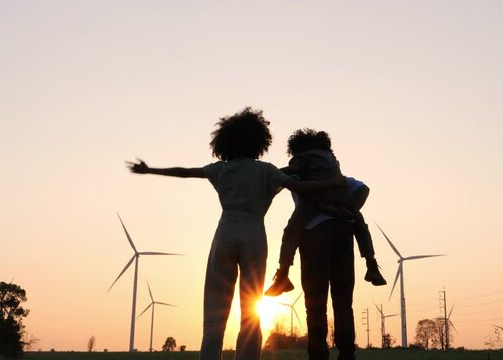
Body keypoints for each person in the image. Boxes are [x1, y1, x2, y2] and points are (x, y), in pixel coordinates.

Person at [126, 108, 345, 360]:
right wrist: (332, 182)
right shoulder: (266, 171)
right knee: (251, 311)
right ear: (259, 141)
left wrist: (150, 169)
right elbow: (299, 186)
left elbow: (185, 172)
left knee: (214, 313)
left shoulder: (221, 169)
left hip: (225, 232)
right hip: (253, 236)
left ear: (225, 141)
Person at [264, 129, 362, 360]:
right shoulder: (338, 170)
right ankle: (347, 354)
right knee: (343, 301)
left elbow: (284, 176)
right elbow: (363, 189)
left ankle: (282, 275)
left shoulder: (301, 163)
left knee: (315, 302)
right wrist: (346, 211)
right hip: (342, 232)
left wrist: (268, 173)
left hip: (313, 233)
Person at [265, 130, 386, 297]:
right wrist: (350, 209)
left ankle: (283, 275)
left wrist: (272, 174)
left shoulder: (303, 158)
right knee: (360, 225)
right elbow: (363, 189)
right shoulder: (331, 160)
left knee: (291, 231)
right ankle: (371, 265)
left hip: (313, 207)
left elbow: (291, 174)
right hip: (342, 202)